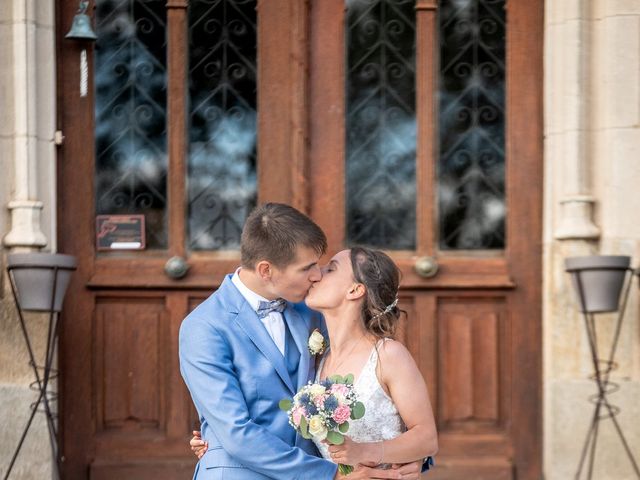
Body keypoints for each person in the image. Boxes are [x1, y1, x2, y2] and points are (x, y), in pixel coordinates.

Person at [180, 203, 424, 479]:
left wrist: (404, 458)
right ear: (265, 270)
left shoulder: (313, 311)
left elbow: (372, 385)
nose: (317, 275)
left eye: (320, 266)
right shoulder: (203, 327)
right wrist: (332, 476)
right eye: (307, 267)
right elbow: (235, 432)